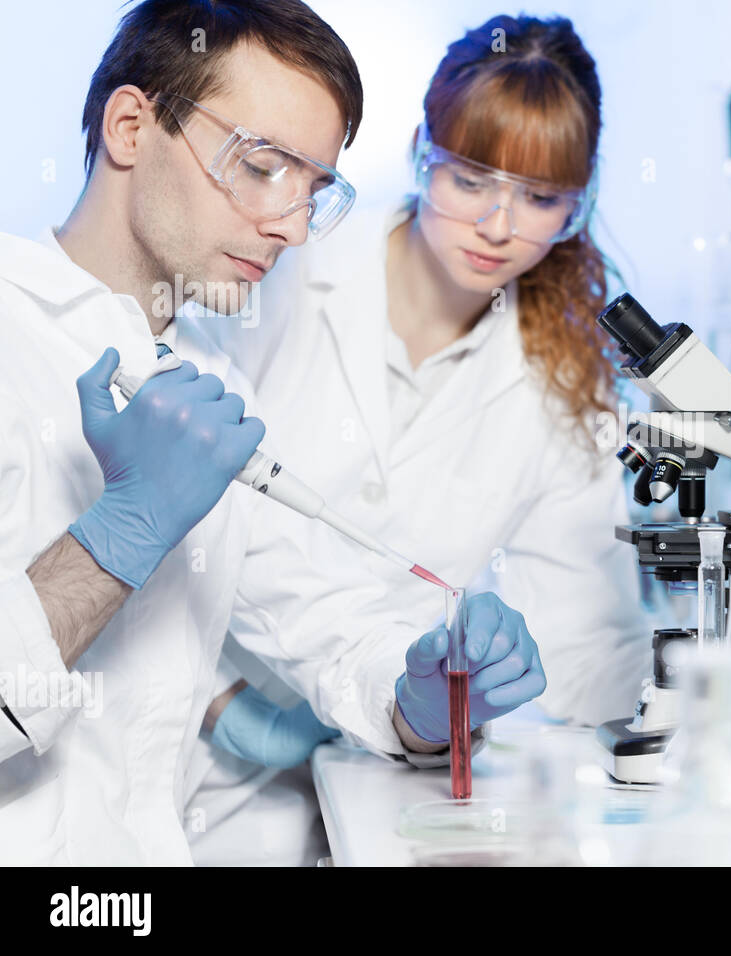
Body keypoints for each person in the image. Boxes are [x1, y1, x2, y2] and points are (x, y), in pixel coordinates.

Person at [0, 0, 545, 866]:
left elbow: (318, 614)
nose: (291, 229)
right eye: (260, 167)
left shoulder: (215, 383)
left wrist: (421, 696)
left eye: (314, 191)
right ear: (132, 126)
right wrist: (118, 537)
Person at [185, 13, 652, 865]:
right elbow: (168, 494)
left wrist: (651, 742)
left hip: (397, 766)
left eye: (541, 198)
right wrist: (217, 700)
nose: (501, 224)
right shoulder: (282, 267)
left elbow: (591, 637)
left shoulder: (565, 386)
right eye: (471, 179)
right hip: (199, 748)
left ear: (577, 208)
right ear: (420, 152)